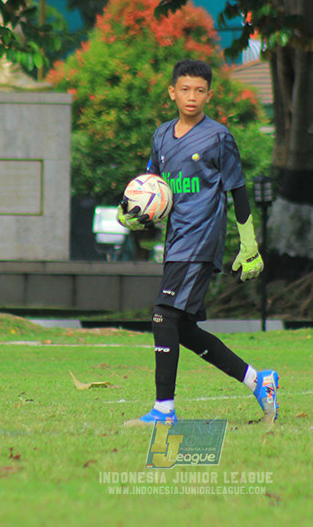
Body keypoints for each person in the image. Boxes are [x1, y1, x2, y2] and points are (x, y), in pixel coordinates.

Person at [119, 59, 279, 426]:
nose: (192, 96)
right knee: (182, 327)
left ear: (209, 95)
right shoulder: (161, 136)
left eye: (200, 90)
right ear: (172, 92)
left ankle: (164, 410)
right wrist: (132, 212)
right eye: (185, 89)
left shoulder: (218, 138)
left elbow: (238, 191)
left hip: (203, 240)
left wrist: (248, 245)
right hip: (175, 241)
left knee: (163, 316)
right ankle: (259, 381)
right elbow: (151, 186)